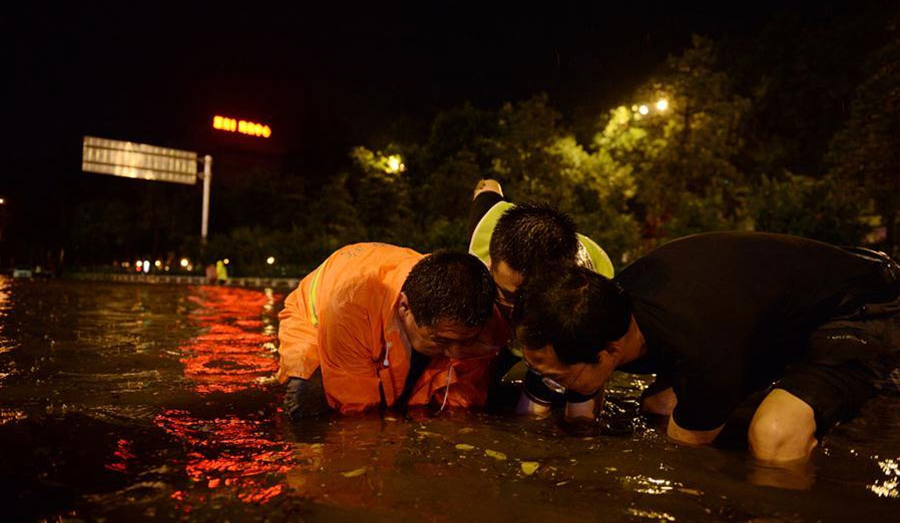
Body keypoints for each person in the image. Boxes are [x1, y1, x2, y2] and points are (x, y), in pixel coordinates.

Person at [513, 231, 900, 463]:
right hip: (772, 321)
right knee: (658, 407)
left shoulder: (700, 342)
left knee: (774, 434)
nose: (553, 384)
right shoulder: (602, 312)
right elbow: (582, 402)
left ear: (607, 351)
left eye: (556, 375)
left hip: (864, 305)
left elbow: (683, 462)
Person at [277, 243, 506, 418]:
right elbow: (356, 410)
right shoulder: (349, 306)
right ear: (405, 307)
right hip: (318, 320)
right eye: (442, 341)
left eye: (466, 341)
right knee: (306, 395)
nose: (455, 353)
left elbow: (464, 401)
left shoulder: (480, 311)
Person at [467, 179, 614, 423]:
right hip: (501, 326)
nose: (519, 310)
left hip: (561, 324)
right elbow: (487, 187)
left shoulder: (596, 284)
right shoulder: (482, 236)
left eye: (528, 299)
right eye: (509, 295)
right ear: (491, 264)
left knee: (577, 414)